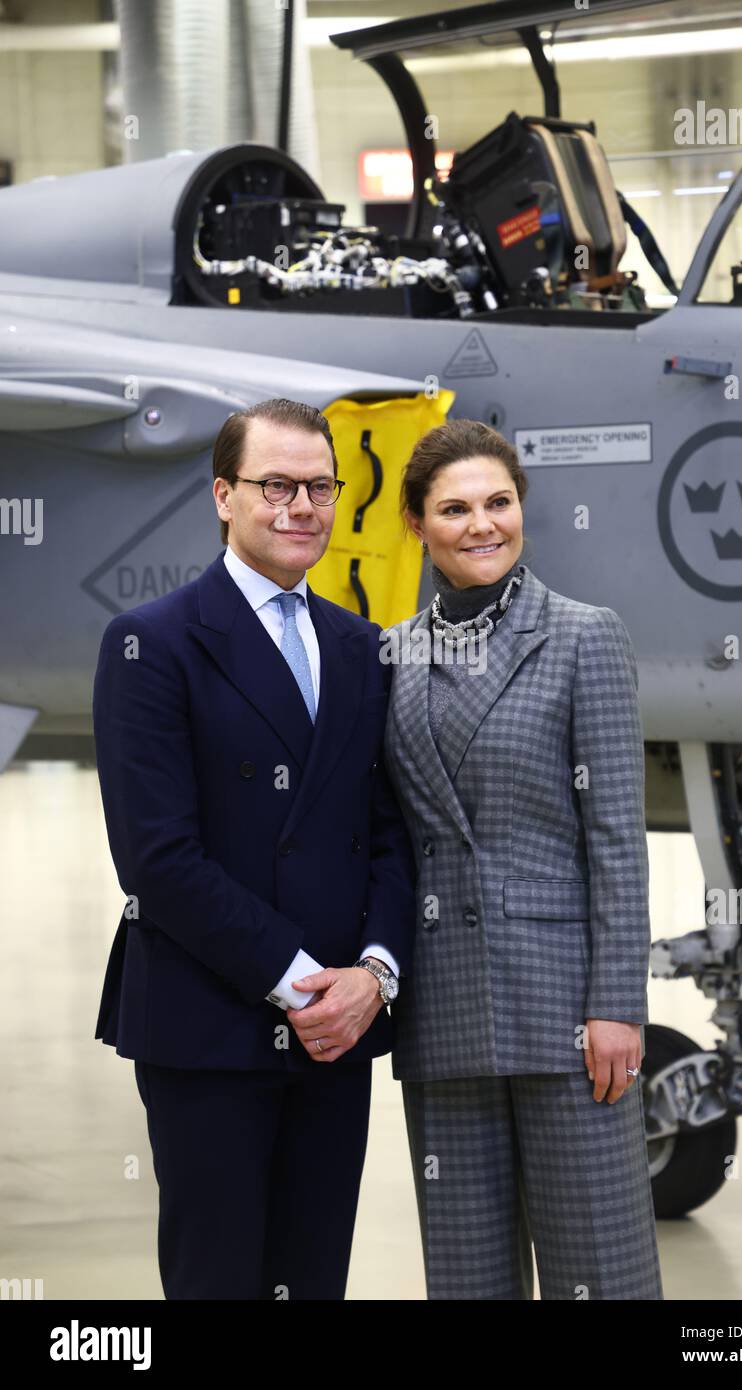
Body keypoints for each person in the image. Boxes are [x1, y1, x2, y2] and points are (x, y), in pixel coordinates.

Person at [93, 397, 415, 1300]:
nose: (300, 506)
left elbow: (390, 831)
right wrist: (298, 979)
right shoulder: (151, 645)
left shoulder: (359, 648)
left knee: (313, 1281)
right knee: (220, 1281)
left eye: (320, 487)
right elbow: (156, 859)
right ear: (223, 495)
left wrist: (374, 976)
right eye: (276, 485)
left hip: (337, 1033)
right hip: (211, 1025)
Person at [381, 418, 663, 1301]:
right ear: (415, 524)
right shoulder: (389, 656)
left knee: (600, 1271)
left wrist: (615, 1003)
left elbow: (615, 835)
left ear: (521, 511)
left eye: (498, 503)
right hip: (443, 1007)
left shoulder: (584, 638)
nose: (481, 525)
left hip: (568, 1013)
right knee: (465, 1279)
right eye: (455, 508)